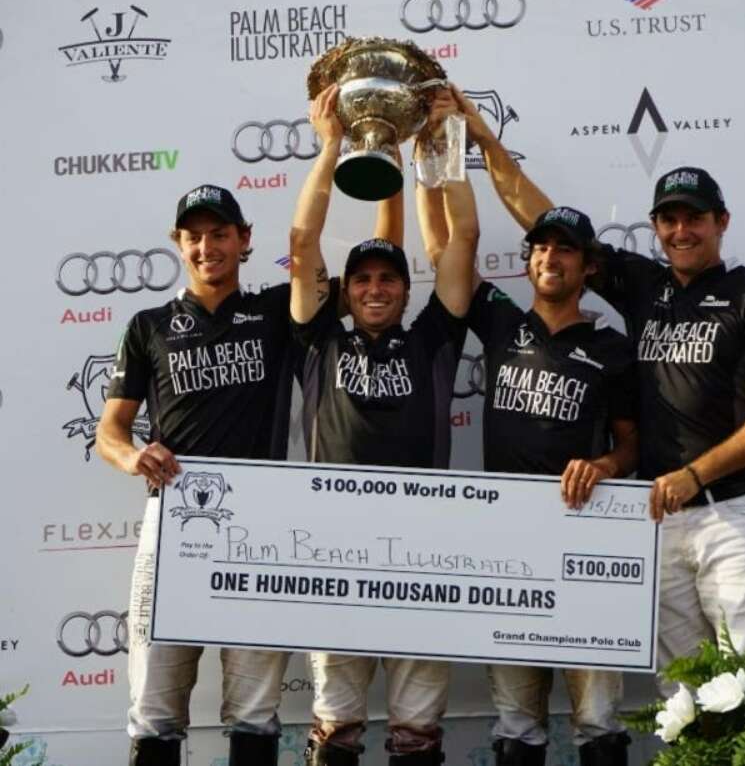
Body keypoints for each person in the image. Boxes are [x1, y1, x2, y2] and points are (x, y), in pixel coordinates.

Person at [455, 87, 745, 689]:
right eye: (669, 219)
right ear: (656, 227)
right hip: (660, 514)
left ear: (721, 221)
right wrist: (483, 139)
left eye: (695, 217)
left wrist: (697, 474)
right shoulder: (645, 286)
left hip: (738, 511)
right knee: (686, 692)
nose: (681, 230)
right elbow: (540, 216)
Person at [418, 91, 639, 766]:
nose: (550, 257)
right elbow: (447, 248)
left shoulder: (613, 348)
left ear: (587, 267)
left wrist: (602, 465)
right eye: (541, 245)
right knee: (517, 723)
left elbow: (633, 446)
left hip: (582, 538)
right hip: (507, 540)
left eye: (566, 249)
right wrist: (435, 148)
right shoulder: (502, 321)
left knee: (598, 718)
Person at [290, 84, 478, 766]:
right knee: (335, 729)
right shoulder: (319, 341)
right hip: (333, 550)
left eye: (387, 279)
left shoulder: (432, 340)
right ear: (345, 291)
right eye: (361, 279)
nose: (374, 288)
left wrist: (440, 142)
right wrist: (333, 145)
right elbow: (302, 239)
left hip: (424, 550)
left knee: (415, 734)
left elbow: (464, 241)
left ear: (405, 289)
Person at [96, 184, 296, 766]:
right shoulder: (148, 325)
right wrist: (133, 456)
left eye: (219, 234)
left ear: (244, 240)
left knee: (255, 715)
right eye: (194, 236)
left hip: (259, 532)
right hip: (173, 528)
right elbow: (109, 432)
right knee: (154, 714)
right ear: (179, 245)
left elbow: (309, 253)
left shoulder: (277, 312)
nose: (206, 246)